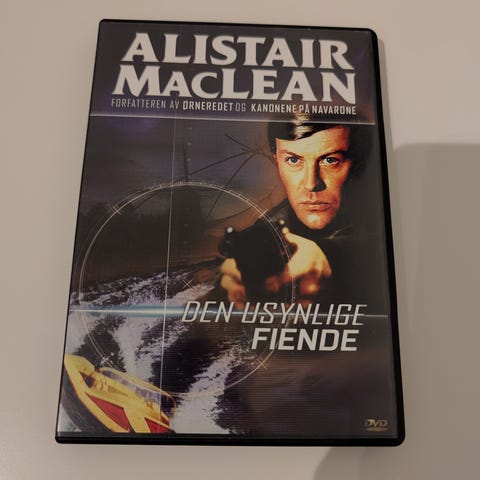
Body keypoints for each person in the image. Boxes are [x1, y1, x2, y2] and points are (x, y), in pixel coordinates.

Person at [220, 114, 385, 307]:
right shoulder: (266, 227)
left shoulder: (384, 215)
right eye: (293, 160)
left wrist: (328, 260)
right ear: (277, 162)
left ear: (357, 165)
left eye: (330, 160)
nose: (311, 183)